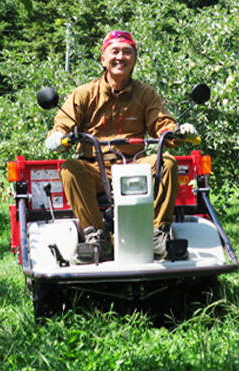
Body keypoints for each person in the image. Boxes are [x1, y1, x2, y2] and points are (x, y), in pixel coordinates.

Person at [44, 30, 198, 263]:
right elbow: (64, 124)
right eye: (114, 51)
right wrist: (58, 137)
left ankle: (158, 233)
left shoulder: (146, 94)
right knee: (70, 168)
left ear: (135, 59)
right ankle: (97, 236)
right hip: (96, 167)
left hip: (136, 165)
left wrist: (179, 131)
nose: (121, 57)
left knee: (167, 163)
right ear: (103, 59)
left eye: (127, 52)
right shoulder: (84, 94)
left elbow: (162, 125)